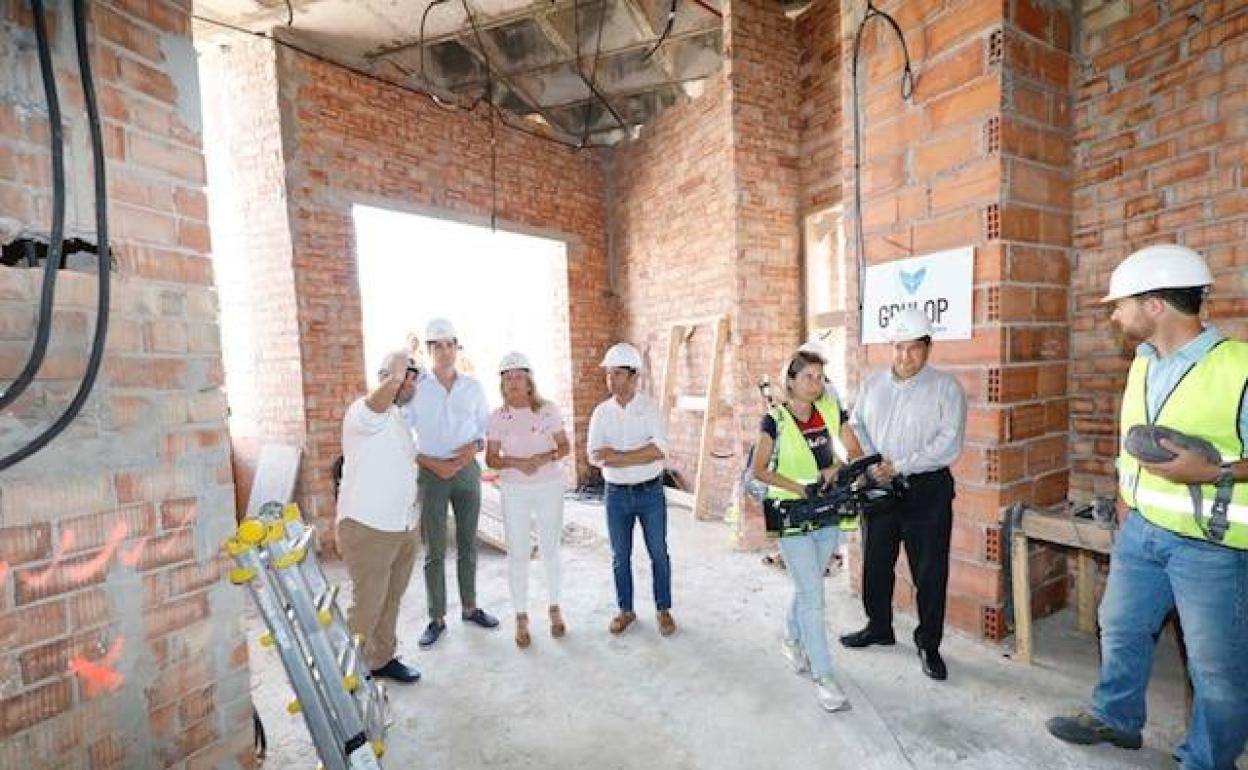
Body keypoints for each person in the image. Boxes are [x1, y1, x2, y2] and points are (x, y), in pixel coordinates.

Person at [1046, 245, 1248, 770]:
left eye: (1121, 304)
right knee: (1119, 625)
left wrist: (1215, 471)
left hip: (1211, 546)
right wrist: (1123, 503)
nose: (1115, 315)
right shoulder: (1142, 363)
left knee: (1216, 668)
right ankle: (1118, 719)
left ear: (1155, 305)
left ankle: (1207, 761)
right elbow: (1133, 445)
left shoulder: (1240, 368)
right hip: (1141, 532)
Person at [839, 306, 967, 681]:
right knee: (876, 563)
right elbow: (856, 424)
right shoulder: (873, 385)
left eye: (913, 348)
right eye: (898, 347)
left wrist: (900, 465)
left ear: (928, 348)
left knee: (929, 571)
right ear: (889, 347)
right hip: (879, 486)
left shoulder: (946, 388)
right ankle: (879, 626)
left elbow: (949, 444)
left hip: (926, 490)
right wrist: (869, 463)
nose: (904, 357)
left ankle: (929, 644)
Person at [752, 347, 865, 712]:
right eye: (808, 377)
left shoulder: (831, 409)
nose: (816, 384)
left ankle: (790, 638)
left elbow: (853, 448)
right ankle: (825, 678)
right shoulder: (775, 420)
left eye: (820, 377)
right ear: (790, 381)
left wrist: (843, 466)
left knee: (808, 585)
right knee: (814, 597)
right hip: (791, 513)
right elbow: (759, 471)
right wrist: (802, 487)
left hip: (827, 509)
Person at [405, 318, 498, 648]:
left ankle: (470, 607)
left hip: (466, 471)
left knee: (468, 544)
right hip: (431, 474)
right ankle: (436, 617)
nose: (444, 352)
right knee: (434, 549)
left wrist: (466, 455)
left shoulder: (473, 388)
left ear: (457, 348)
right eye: (437, 346)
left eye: (449, 345)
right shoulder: (416, 389)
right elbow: (403, 437)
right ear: (429, 350)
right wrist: (433, 464)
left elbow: (486, 432)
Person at [336, 350, 423, 684]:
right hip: (368, 527)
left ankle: (381, 659)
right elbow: (377, 405)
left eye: (413, 377)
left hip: (401, 526)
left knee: (390, 601)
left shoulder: (400, 420)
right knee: (367, 607)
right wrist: (396, 375)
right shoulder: (363, 412)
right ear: (384, 377)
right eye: (402, 376)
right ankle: (344, 677)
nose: (408, 382)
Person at [587, 342, 676, 637]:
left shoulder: (650, 408)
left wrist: (619, 456)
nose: (610, 380)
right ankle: (626, 610)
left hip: (650, 493)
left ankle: (663, 610)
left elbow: (658, 450)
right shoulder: (601, 413)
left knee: (658, 552)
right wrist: (635, 454)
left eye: (617, 374)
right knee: (619, 556)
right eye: (608, 374)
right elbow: (594, 454)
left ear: (634, 376)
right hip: (615, 495)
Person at [485, 351, 571, 648]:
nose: (513, 383)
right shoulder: (498, 417)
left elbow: (564, 446)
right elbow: (492, 458)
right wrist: (517, 464)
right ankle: (521, 616)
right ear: (502, 384)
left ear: (529, 380)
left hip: (549, 485)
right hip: (514, 490)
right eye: (507, 378)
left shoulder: (547, 410)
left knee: (550, 549)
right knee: (518, 552)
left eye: (518, 376)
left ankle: (555, 608)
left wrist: (542, 457)